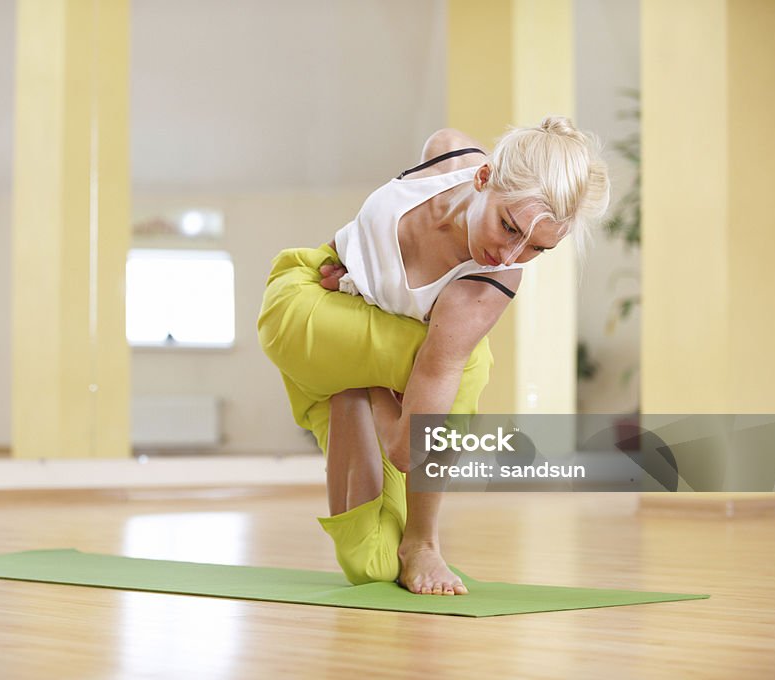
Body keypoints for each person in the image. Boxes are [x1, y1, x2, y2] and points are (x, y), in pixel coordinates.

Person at [258, 116, 609, 595]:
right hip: (308, 307)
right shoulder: (449, 153)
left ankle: (362, 406)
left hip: (357, 370)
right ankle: (424, 539)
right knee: (470, 362)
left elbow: (407, 450)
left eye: (536, 250)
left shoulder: (486, 287)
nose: (510, 255)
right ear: (484, 179)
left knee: (372, 565)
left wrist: (383, 403)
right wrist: (356, 263)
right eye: (509, 226)